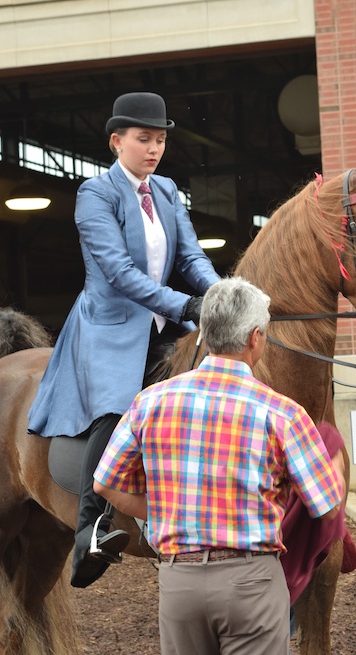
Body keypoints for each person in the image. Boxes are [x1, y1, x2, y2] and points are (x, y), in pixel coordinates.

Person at [27, 92, 221, 589]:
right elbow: (117, 272)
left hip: (161, 325)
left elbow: (191, 258)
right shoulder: (96, 193)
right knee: (117, 411)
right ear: (117, 142)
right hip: (109, 325)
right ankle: (91, 531)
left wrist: (221, 291)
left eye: (160, 140)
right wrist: (183, 305)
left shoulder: (169, 191)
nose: (153, 149)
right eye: (143, 139)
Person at [93, 276, 345, 655]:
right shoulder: (284, 414)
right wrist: (337, 468)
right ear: (255, 338)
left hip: (179, 581)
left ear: (205, 334)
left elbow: (105, 484)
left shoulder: (150, 402)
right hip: (252, 582)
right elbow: (326, 508)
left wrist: (161, 511)